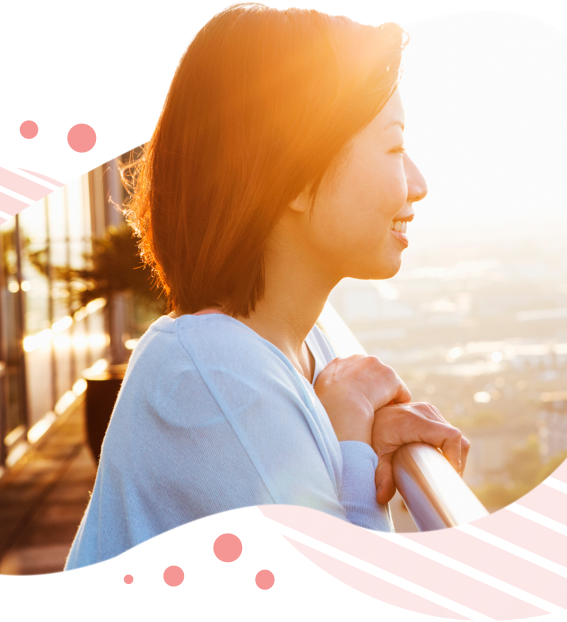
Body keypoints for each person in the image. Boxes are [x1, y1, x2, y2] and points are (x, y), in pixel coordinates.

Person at [64, 2, 469, 571]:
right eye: (395, 147)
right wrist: (350, 436)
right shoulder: (213, 374)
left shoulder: (304, 343)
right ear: (297, 177)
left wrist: (356, 439)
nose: (418, 184)